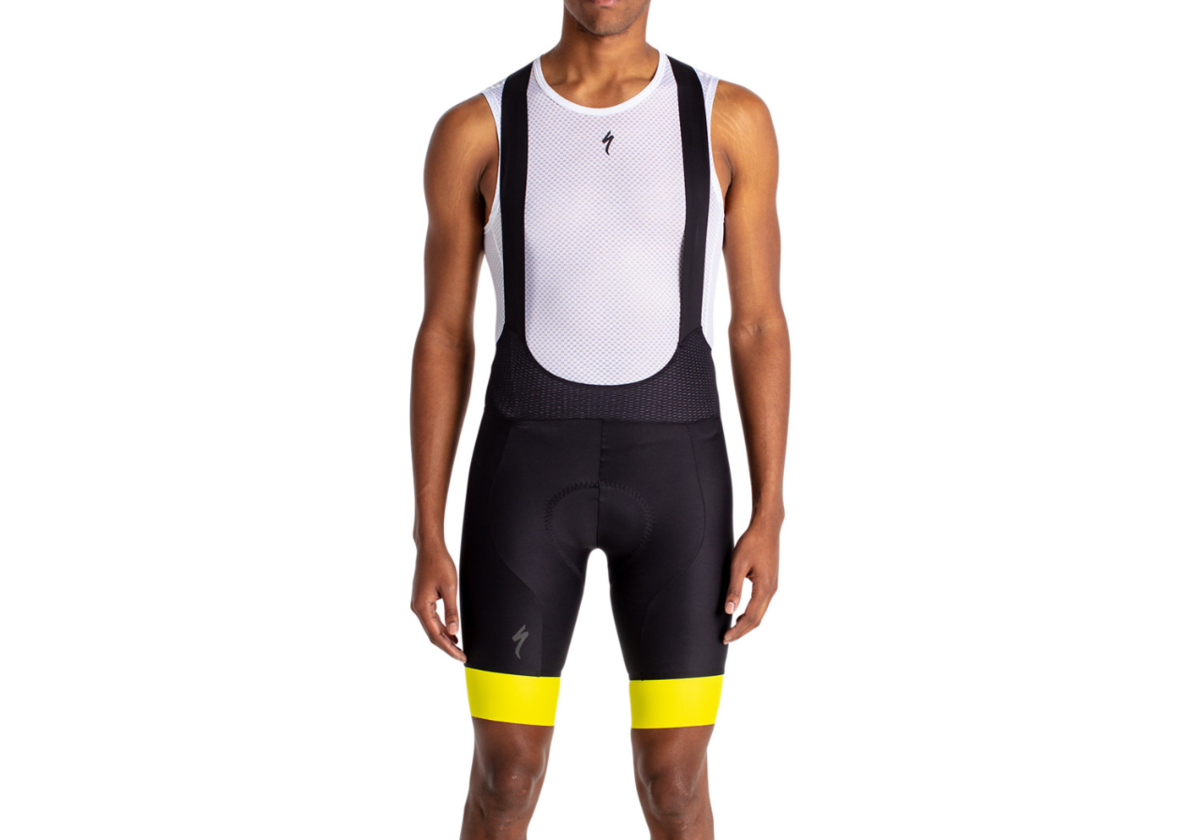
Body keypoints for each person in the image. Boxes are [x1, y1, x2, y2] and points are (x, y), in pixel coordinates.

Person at [410, 1, 787, 837]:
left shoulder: (727, 119)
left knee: (675, 782)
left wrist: (770, 511)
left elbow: (758, 323)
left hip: (678, 477)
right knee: (507, 775)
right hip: (524, 476)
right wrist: (427, 528)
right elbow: (442, 332)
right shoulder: (479, 129)